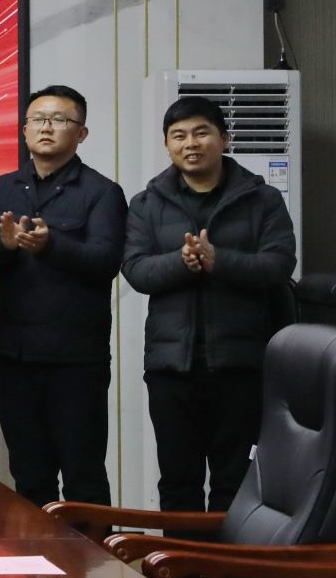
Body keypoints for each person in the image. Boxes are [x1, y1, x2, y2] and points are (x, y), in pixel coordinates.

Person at [123, 95, 297, 513]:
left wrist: (220, 261)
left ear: (224, 138)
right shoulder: (146, 204)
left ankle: (229, 559)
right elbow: (136, 269)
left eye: (201, 133)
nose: (191, 143)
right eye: (179, 135)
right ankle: (178, 559)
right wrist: (182, 262)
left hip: (241, 364)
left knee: (235, 482)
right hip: (171, 367)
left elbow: (280, 264)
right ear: (167, 145)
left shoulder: (262, 199)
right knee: (177, 481)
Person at [0, 84, 126, 505]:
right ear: (24, 129)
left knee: (83, 476)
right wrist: (5, 246)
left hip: (76, 359)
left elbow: (106, 261)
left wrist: (51, 245)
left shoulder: (102, 192)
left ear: (81, 133)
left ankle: (94, 552)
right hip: (15, 354)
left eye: (60, 120)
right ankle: (38, 551)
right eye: (38, 119)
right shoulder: (2, 188)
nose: (46, 127)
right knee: (29, 474)